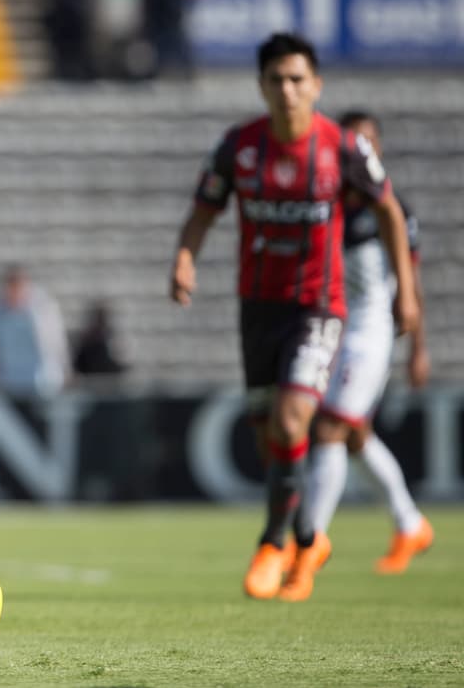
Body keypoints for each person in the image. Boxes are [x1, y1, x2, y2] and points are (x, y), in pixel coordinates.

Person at [169, 32, 419, 603]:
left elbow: (390, 213)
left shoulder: (344, 147)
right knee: (271, 443)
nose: (288, 90)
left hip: (319, 308)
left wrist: (406, 292)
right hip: (258, 309)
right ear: (261, 86)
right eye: (277, 80)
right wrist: (185, 259)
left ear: (316, 85)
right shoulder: (239, 147)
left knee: (290, 424)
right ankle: (309, 538)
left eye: (298, 79)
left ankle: (272, 542)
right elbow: (203, 210)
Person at [307, 110, 434, 575]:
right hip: (333, 329)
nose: (364, 150)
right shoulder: (330, 203)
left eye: (370, 141)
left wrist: (418, 347)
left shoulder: (391, 209)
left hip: (369, 333)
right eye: (355, 142)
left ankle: (309, 542)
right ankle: (410, 523)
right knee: (356, 435)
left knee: (330, 429)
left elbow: (410, 285)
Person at [0, 264, 70, 400]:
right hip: (9, 385)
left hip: (43, 385)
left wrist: (66, 369)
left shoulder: (43, 309)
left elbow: (55, 344)